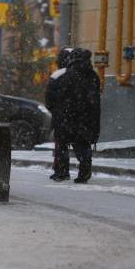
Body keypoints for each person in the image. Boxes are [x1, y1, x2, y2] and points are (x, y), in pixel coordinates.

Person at [45, 47, 101, 183]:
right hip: (87, 117)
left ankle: (62, 172)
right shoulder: (93, 76)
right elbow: (95, 98)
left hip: (65, 116)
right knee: (82, 143)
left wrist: (56, 111)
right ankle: (85, 171)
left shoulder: (64, 75)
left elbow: (51, 97)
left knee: (62, 144)